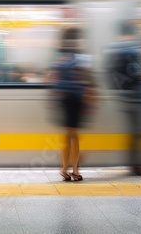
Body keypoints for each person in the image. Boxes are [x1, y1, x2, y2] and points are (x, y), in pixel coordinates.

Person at [106, 20, 141, 176]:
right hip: (136, 95)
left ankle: (135, 164)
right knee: (139, 131)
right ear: (133, 31)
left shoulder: (112, 47)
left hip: (122, 94)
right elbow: (140, 70)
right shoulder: (134, 48)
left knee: (135, 131)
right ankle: (137, 166)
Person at [53, 27, 95, 182]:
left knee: (68, 134)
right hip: (77, 99)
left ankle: (64, 168)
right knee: (74, 135)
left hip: (65, 99)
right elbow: (89, 79)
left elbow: (55, 79)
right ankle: (74, 170)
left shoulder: (60, 56)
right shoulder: (81, 56)